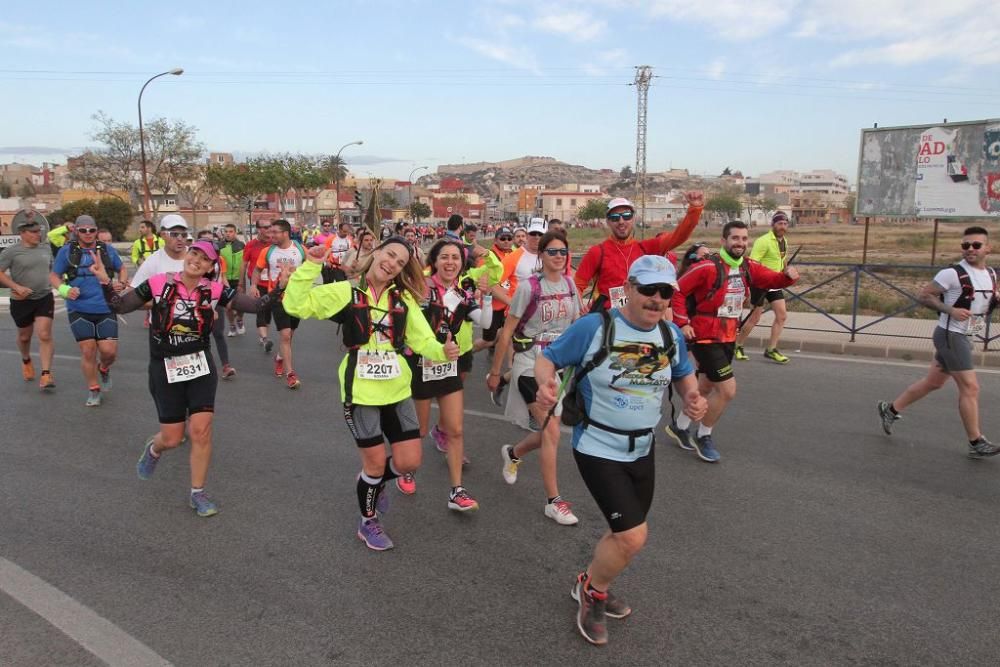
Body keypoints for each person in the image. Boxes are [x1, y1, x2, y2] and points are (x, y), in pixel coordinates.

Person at [534, 255, 707, 646]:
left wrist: (693, 397)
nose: (657, 299)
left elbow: (682, 374)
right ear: (628, 288)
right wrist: (546, 383)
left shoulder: (670, 335)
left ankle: (589, 581)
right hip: (598, 446)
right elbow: (549, 358)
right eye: (648, 289)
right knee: (632, 537)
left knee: (622, 532)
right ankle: (592, 594)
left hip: (643, 448)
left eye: (665, 292)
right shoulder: (595, 327)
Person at [282, 236, 461, 551]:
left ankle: (371, 482)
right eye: (389, 254)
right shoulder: (346, 291)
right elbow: (295, 305)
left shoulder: (402, 301)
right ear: (377, 253)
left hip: (396, 391)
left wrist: (443, 350)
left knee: (409, 461)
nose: (392, 263)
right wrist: (310, 265)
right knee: (375, 464)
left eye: (400, 262)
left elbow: (424, 342)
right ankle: (368, 521)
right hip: (361, 394)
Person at [96, 240, 281, 517]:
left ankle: (198, 492)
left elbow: (256, 306)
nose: (196, 260)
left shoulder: (215, 290)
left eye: (204, 258)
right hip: (164, 366)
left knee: (201, 431)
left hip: (200, 365)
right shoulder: (159, 283)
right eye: (193, 253)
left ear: (210, 267)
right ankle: (155, 449)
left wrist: (282, 286)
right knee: (172, 439)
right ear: (186, 256)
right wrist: (103, 281)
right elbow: (120, 306)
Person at [668, 221, 798, 463]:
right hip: (706, 336)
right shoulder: (707, 267)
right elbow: (677, 290)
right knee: (727, 390)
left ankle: (680, 426)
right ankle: (704, 435)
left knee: (705, 386)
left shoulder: (748, 267)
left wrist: (787, 277)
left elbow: (772, 280)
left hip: (729, 337)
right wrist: (682, 322)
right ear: (724, 241)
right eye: (735, 238)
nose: (740, 243)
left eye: (744, 239)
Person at [877, 227, 1000, 458]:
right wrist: (950, 309)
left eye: (976, 245)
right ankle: (976, 442)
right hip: (950, 335)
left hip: (967, 334)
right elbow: (925, 295)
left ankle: (890, 409)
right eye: (965, 246)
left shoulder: (991, 274)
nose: (970, 250)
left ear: (988, 248)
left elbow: (984, 303)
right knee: (971, 388)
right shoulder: (952, 273)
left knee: (933, 382)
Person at [488, 231, 581, 525]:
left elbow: (577, 325)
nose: (558, 257)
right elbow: (507, 332)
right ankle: (554, 502)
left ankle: (513, 453)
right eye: (552, 251)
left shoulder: (570, 285)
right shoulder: (528, 288)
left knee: (547, 432)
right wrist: (495, 372)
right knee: (552, 430)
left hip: (558, 368)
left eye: (563, 252)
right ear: (540, 255)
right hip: (528, 365)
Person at [403, 239, 493, 507]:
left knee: (455, 430)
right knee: (418, 429)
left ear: (461, 263)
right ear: (435, 261)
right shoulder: (420, 289)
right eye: (444, 257)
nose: (450, 262)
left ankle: (457, 491)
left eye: (455, 257)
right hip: (422, 364)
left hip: (448, 365)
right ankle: (406, 470)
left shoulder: (464, 294)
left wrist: (486, 297)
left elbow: (486, 323)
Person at [574, 192, 704, 311]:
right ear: (608, 221)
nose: (621, 221)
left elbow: (678, 236)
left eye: (626, 216)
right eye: (615, 217)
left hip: (639, 317)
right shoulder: (597, 252)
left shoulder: (645, 248)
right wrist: (579, 309)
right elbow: (577, 286)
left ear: (633, 219)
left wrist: (695, 210)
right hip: (608, 320)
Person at [49, 214, 127, 406]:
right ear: (76, 231)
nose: (88, 234)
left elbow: (122, 268)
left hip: (105, 307)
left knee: (109, 352)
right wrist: (65, 289)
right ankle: (93, 389)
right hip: (79, 308)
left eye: (91, 230)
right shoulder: (66, 251)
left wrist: (121, 283)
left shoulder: (106, 250)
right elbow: (54, 276)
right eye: (83, 230)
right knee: (88, 351)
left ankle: (104, 368)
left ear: (96, 231)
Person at [0, 216, 56, 390]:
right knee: (24, 337)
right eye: (33, 232)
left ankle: (46, 374)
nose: (37, 234)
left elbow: (52, 271)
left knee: (44, 334)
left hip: (44, 297)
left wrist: (63, 287)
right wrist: (16, 286)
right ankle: (26, 359)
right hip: (21, 300)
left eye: (38, 231)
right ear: (22, 233)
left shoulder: (46, 248)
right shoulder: (11, 251)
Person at [252, 219, 305, 389]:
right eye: (270, 231)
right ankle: (291, 374)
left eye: (275, 232)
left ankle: (280, 357)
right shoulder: (267, 251)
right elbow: (257, 270)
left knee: (291, 335)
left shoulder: (301, 250)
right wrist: (253, 285)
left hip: (297, 298)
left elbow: (313, 264)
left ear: (285, 233)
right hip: (277, 299)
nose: (271, 234)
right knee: (286, 335)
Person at [735, 211, 792, 363]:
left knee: (782, 316)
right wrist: (749, 286)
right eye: (780, 223)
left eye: (785, 224)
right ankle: (738, 345)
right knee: (755, 317)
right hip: (759, 284)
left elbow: (783, 259)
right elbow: (752, 264)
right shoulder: (764, 241)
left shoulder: (784, 241)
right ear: (773, 224)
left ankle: (771, 349)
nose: (783, 227)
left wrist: (786, 272)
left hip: (775, 283)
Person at [474, 226, 515, 354]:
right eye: (503, 238)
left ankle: (508, 369)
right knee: (488, 340)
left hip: (508, 306)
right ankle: (464, 355)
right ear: (496, 240)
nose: (506, 241)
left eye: (509, 238)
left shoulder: (513, 254)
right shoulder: (488, 257)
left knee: (510, 337)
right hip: (493, 307)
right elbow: (485, 283)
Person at [240, 221, 275, 353]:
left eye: (270, 227)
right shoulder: (251, 245)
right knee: (260, 308)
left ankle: (265, 333)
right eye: (266, 227)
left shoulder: (275, 243)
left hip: (272, 284)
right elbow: (243, 264)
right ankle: (265, 338)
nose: (269, 229)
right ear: (258, 229)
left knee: (268, 311)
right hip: (257, 283)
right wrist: (241, 283)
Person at [218, 223, 246, 336]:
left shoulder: (241, 245)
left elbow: (244, 263)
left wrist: (242, 279)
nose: (228, 234)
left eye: (231, 231)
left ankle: (239, 320)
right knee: (228, 305)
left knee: (241, 304)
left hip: (239, 279)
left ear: (235, 233)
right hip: (225, 279)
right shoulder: (219, 246)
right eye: (226, 231)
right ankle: (232, 325)